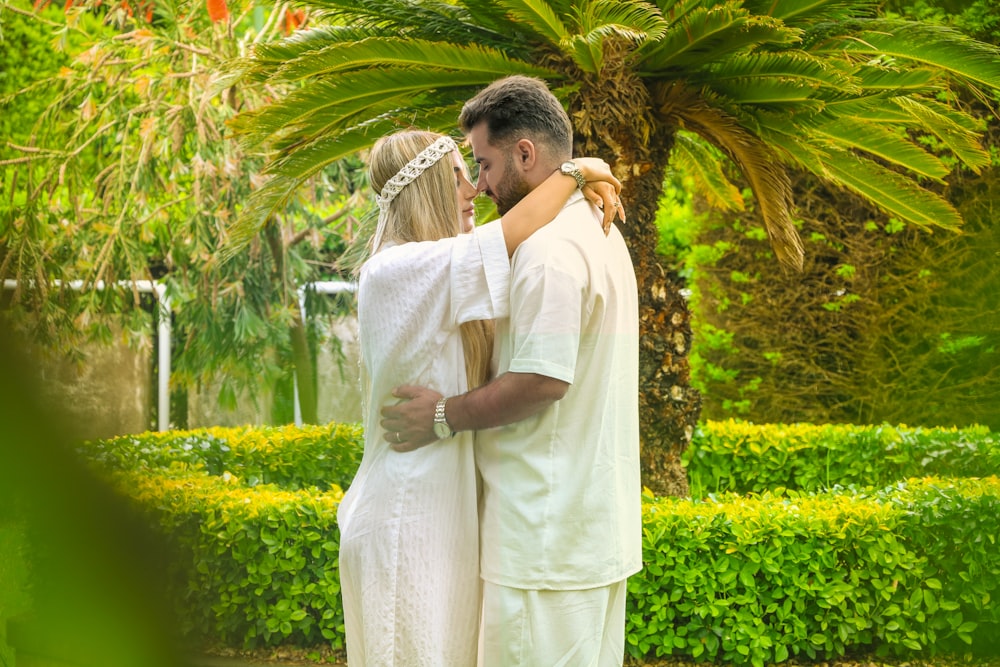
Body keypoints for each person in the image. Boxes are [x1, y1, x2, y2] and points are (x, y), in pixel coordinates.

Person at [379, 76, 642, 666]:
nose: (481, 185)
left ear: (525, 154)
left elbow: (542, 381)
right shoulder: (604, 232)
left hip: (542, 544)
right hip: (592, 535)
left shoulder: (548, 250)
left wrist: (442, 414)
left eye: (485, 164)